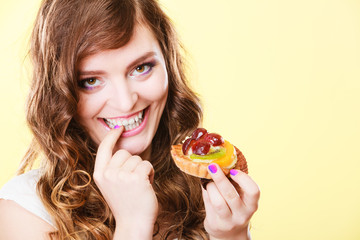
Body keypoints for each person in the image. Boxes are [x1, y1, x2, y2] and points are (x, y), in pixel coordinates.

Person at [0, 0, 260, 239]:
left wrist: (231, 234)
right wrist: (133, 225)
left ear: (168, 62)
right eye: (91, 81)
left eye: (140, 68)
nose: (125, 102)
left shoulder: (203, 190)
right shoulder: (23, 212)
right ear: (59, 93)